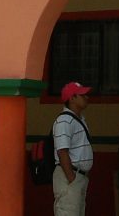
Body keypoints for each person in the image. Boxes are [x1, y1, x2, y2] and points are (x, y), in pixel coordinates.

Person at [53, 81, 93, 216]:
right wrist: (72, 178)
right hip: (70, 177)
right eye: (82, 95)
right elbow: (62, 151)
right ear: (71, 98)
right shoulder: (64, 120)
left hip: (78, 176)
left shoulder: (79, 119)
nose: (86, 98)